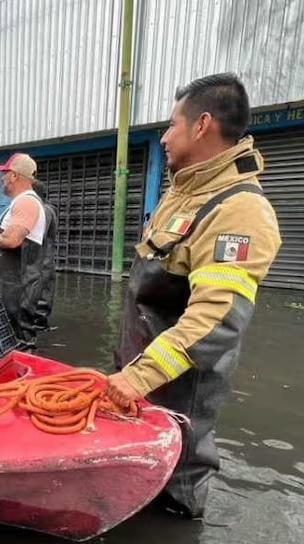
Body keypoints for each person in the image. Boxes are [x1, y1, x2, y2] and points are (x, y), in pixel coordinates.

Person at [105, 73, 282, 519]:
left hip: (176, 396)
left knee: (170, 502)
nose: (164, 137)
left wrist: (138, 377)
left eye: (170, 125)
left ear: (201, 125)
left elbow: (217, 318)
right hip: (142, 387)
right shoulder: (183, 191)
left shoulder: (240, 210)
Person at [0, 152, 48, 351]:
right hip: (11, 286)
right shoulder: (20, 202)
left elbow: (11, 241)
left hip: (18, 287)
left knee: (19, 339)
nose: (2, 178)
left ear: (15, 175)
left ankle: (25, 379)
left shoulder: (26, 202)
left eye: (5, 173)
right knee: (10, 338)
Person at [30, 179, 58, 331]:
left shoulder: (44, 210)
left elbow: (38, 235)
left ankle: (39, 323)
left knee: (41, 293)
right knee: (43, 291)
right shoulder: (48, 209)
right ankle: (40, 322)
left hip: (42, 261)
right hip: (45, 260)